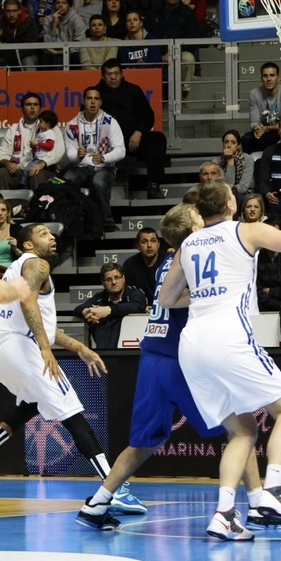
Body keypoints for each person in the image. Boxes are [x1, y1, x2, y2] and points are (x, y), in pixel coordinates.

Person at [76, 203, 267, 532]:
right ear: (193, 230)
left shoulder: (168, 261)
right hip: (180, 360)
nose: (203, 220)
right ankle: (257, 505)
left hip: (152, 357)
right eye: (198, 218)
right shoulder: (193, 257)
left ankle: (97, 503)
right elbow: (197, 296)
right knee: (242, 428)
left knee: (144, 442)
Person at [158, 178, 281, 539]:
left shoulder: (188, 244)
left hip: (192, 345)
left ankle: (224, 513)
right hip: (229, 337)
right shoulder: (246, 230)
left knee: (243, 430)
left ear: (199, 210)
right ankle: (273, 491)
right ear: (231, 205)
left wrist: (204, 295)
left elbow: (166, 299)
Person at [0, 223, 145, 515]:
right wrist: (44, 348)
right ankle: (114, 490)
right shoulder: (37, 264)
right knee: (72, 412)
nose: (52, 236)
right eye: (43, 234)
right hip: (21, 346)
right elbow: (28, 302)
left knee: (31, 404)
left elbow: (43, 323)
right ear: (28, 245)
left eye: (51, 233)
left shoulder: (15, 269)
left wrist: (79, 347)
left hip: (6, 347)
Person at [96, 59, 166, 200]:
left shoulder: (133, 90)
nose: (113, 77)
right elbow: (85, 118)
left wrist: (139, 132)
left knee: (157, 139)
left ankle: (153, 185)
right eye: (109, 74)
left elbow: (147, 116)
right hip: (105, 145)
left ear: (122, 74)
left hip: (131, 141)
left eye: (116, 73)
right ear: (103, 76)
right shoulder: (95, 94)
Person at [64, 87, 125, 232]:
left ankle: (107, 223)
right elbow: (70, 155)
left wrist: (103, 158)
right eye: (89, 98)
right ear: (83, 101)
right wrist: (78, 156)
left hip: (104, 167)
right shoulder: (72, 125)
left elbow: (121, 151)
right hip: (80, 167)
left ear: (100, 102)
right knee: (67, 181)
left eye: (96, 99)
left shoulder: (110, 122)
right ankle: (71, 223)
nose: (93, 102)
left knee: (98, 182)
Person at [146, 0, 202, 103]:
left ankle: (184, 94)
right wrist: (158, 53)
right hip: (156, 51)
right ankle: (157, 96)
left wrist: (173, 52)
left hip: (179, 51)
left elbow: (193, 39)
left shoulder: (188, 14)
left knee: (188, 59)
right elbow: (148, 36)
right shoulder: (153, 13)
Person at [0, 92, 65, 191]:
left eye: (35, 104)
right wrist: (7, 163)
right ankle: (4, 201)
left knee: (35, 173)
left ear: (40, 109)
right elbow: (2, 153)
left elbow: (59, 151)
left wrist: (42, 163)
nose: (32, 107)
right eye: (28, 104)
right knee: (2, 173)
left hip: (44, 169)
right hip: (20, 170)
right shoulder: (13, 129)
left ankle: (39, 201)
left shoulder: (51, 128)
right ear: (22, 109)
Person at [73, 262, 147, 348]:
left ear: (123, 278)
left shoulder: (135, 293)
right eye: (109, 279)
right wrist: (86, 312)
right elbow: (78, 309)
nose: (114, 282)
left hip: (131, 347)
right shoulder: (100, 297)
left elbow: (137, 306)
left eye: (117, 277)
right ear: (103, 283)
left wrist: (109, 310)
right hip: (103, 350)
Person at [122, 228, 167, 307]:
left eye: (153, 241)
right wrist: (142, 307)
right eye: (144, 242)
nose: (149, 245)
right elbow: (127, 294)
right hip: (140, 309)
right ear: (138, 246)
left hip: (167, 307)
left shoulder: (169, 261)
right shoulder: (129, 264)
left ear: (158, 244)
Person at [42, 0, 86, 65]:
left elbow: (79, 44)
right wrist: (54, 24)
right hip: (54, 53)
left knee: (77, 56)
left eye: (64, 3)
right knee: (46, 57)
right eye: (58, 3)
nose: (60, 5)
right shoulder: (48, 20)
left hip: (71, 52)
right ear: (54, 5)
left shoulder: (76, 19)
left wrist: (58, 52)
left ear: (69, 6)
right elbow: (48, 45)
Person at [20, 110, 58, 186]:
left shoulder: (50, 133)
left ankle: (23, 185)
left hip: (42, 159)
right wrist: (33, 146)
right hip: (36, 157)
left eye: (41, 121)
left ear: (48, 124)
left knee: (27, 170)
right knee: (27, 169)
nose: (38, 123)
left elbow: (50, 146)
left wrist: (38, 143)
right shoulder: (40, 133)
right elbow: (37, 149)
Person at [0, 0, 39, 70]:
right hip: (4, 56)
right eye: (8, 11)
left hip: (26, 55)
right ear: (4, 11)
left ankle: (30, 78)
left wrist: (12, 56)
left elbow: (31, 47)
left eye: (14, 11)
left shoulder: (29, 22)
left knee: (28, 61)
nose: (11, 14)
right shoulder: (1, 23)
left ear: (20, 11)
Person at [213, 129, 254, 197]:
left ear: (238, 145)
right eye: (226, 142)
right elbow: (224, 186)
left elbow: (243, 187)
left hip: (246, 194)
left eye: (233, 142)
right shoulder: (216, 162)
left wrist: (230, 159)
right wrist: (230, 161)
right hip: (224, 194)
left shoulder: (248, 159)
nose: (229, 145)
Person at [0, 197, 19, 272]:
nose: (0, 213)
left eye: (3, 210)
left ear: (7, 213)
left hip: (10, 270)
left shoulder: (17, 230)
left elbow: (27, 255)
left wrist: (16, 249)